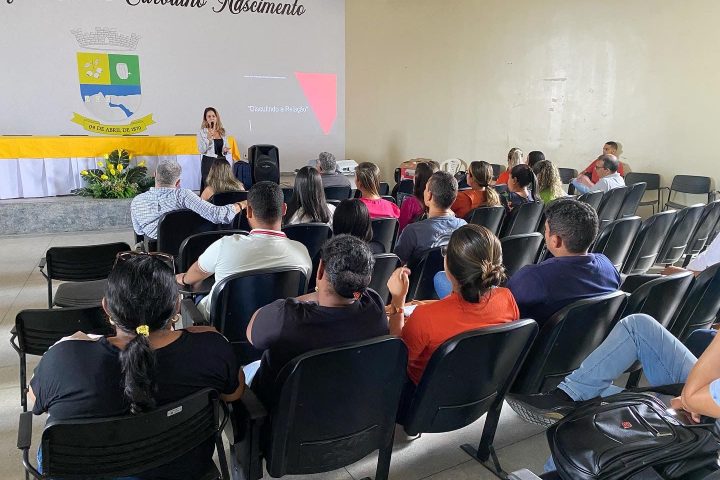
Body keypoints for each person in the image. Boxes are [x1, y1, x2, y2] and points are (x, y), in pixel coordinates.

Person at [29, 254, 244, 479]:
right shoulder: (211, 347)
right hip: (185, 471)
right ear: (176, 305)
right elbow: (234, 393)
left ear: (106, 307)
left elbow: (36, 400)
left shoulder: (65, 358)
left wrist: (69, 345)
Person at [508, 313, 720, 473]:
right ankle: (569, 396)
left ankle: (558, 468)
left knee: (599, 407)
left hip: (709, 412)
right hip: (708, 392)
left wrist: (689, 400)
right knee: (638, 326)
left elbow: (692, 399)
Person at [245, 234, 390, 408]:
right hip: (342, 406)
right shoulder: (374, 305)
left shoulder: (286, 317)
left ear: (320, 269)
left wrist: (315, 293)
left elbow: (251, 334)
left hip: (280, 411)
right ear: (367, 281)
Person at [387, 224, 519, 384]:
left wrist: (397, 299)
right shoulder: (507, 298)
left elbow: (395, 358)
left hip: (423, 393)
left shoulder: (425, 318)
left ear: (448, 265)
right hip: (481, 389)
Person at [177, 181, 312, 320]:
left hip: (221, 326)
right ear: (284, 209)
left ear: (249, 211)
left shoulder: (225, 245)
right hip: (278, 325)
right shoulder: (301, 252)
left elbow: (198, 272)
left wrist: (183, 278)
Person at [507, 198, 620, 327]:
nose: (545, 234)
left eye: (546, 230)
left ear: (556, 241)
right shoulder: (607, 266)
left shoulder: (533, 277)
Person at [131, 160, 240, 241]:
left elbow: (139, 231)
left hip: (155, 255)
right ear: (178, 182)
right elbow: (217, 215)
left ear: (154, 175)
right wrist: (241, 204)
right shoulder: (184, 196)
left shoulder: (137, 201)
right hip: (186, 251)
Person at [394, 171, 466, 266]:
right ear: (454, 198)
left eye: (426, 189)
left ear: (429, 195)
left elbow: (396, 265)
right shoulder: (463, 226)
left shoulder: (412, 232)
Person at [197, 107, 231, 192]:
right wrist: (208, 139)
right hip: (209, 161)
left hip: (222, 162)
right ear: (205, 119)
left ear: (216, 117)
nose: (211, 118)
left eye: (213, 116)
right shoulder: (202, 132)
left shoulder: (222, 131)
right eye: (209, 116)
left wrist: (225, 150)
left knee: (222, 185)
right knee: (209, 186)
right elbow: (202, 150)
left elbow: (226, 146)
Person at [399, 161, 437, 232]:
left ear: (417, 179)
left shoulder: (410, 203)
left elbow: (401, 228)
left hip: (413, 237)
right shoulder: (439, 202)